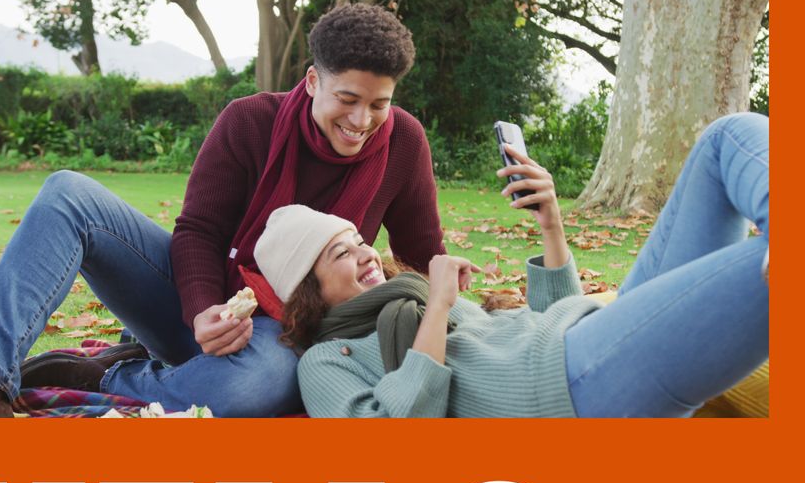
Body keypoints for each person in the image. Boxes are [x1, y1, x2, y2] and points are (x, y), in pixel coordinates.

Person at [0, 3, 446, 417]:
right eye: (348, 99)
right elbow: (197, 232)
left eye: (379, 104)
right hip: (199, 299)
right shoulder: (249, 120)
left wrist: (451, 319)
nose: (362, 121)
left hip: (290, 333)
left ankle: (108, 374)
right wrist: (202, 311)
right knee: (67, 194)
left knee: (253, 388)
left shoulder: (403, 142)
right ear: (314, 80)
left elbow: (420, 256)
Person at [253, 113, 769, 418]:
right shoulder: (327, 361)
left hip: (584, 335)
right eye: (340, 253)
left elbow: (552, 316)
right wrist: (436, 305)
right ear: (309, 291)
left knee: (726, 138)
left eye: (358, 239)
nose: (366, 251)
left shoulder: (405, 295)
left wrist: (551, 223)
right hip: (572, 388)